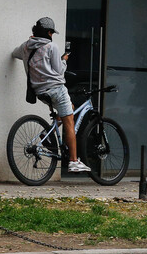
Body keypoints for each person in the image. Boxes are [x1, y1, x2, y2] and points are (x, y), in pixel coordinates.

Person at [12, 17, 90, 172]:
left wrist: (30, 45)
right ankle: (74, 161)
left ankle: (47, 136)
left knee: (71, 108)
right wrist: (64, 59)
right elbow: (59, 70)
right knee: (69, 122)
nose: (52, 36)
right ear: (48, 32)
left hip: (39, 92)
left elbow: (15, 54)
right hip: (56, 90)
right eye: (52, 33)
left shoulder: (25, 47)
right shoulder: (51, 46)